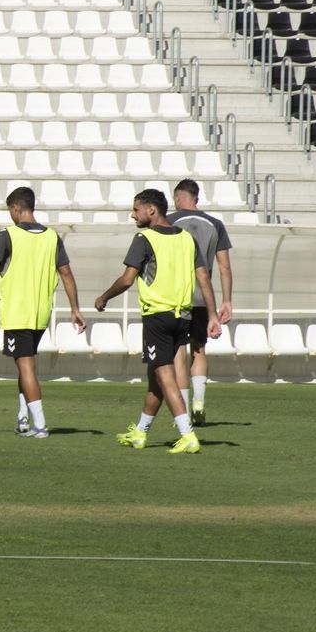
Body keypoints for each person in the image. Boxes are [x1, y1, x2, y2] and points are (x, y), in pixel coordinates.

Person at [94, 188, 221, 455]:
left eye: (136, 209)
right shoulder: (186, 239)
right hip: (183, 316)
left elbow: (128, 279)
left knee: (165, 377)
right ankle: (141, 432)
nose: (133, 215)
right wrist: (211, 314)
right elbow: (204, 277)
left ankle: (187, 434)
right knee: (155, 378)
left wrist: (104, 296)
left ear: (151, 210)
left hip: (158, 317)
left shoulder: (144, 238)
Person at [0, 186, 86, 438]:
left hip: (18, 312)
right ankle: (23, 419)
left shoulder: (8, 236)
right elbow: (66, 274)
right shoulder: (52, 237)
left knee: (26, 366)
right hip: (40, 314)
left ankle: (40, 425)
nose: (11, 215)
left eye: (10, 211)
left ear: (16, 208)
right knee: (25, 364)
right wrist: (75, 309)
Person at [168, 179, 234, 425]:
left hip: (176, 296)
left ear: (177, 198)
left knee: (178, 352)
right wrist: (226, 301)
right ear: (196, 197)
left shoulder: (170, 222)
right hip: (203, 297)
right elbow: (224, 266)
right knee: (199, 349)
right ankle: (199, 401)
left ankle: (182, 409)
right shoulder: (215, 224)